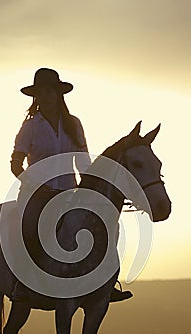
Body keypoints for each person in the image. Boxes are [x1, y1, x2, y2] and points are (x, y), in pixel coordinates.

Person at [10, 68, 132, 302]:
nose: (45, 97)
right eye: (40, 93)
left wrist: (94, 189)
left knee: (105, 225)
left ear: (58, 94)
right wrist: (35, 185)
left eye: (49, 92)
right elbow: (16, 164)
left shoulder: (74, 124)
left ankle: (105, 280)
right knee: (32, 230)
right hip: (36, 194)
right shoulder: (30, 127)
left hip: (68, 192)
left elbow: (83, 162)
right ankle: (22, 283)